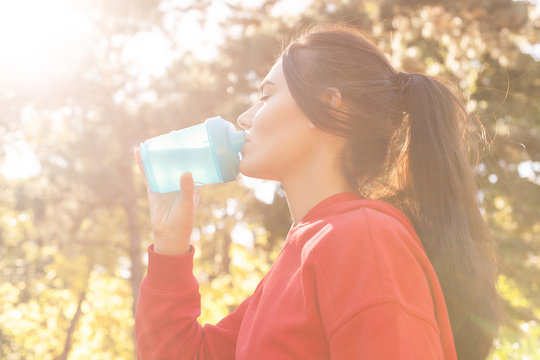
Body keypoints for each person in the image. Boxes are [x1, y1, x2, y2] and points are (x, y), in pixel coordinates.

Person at [134, 24, 500, 359]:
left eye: (266, 96)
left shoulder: (363, 239)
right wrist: (169, 247)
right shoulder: (301, 257)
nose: (245, 118)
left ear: (327, 104)